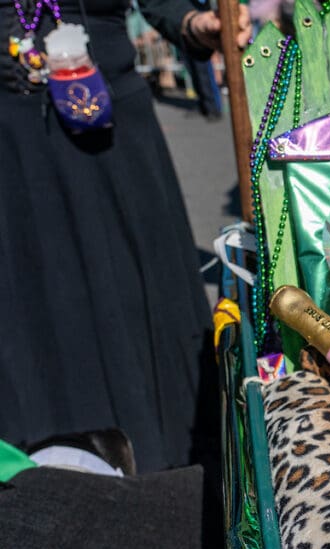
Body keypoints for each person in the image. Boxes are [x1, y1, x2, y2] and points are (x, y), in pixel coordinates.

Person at [0, 0, 251, 472]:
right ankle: (36, 483)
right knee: (30, 310)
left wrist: (195, 24)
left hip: (111, 128)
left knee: (136, 304)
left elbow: (166, 7)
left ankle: (165, 481)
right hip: (10, 141)